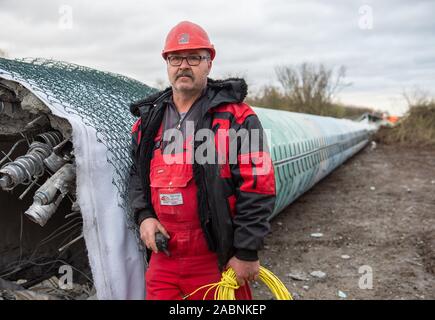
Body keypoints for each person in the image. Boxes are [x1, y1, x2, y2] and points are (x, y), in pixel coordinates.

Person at [128, 21, 276, 300]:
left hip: (215, 259)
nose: (184, 65)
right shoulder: (148, 122)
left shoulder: (239, 118)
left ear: (209, 63)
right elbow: (136, 175)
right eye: (175, 58)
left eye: (194, 57)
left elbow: (259, 186)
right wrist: (144, 216)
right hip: (165, 258)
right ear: (167, 63)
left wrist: (246, 251)